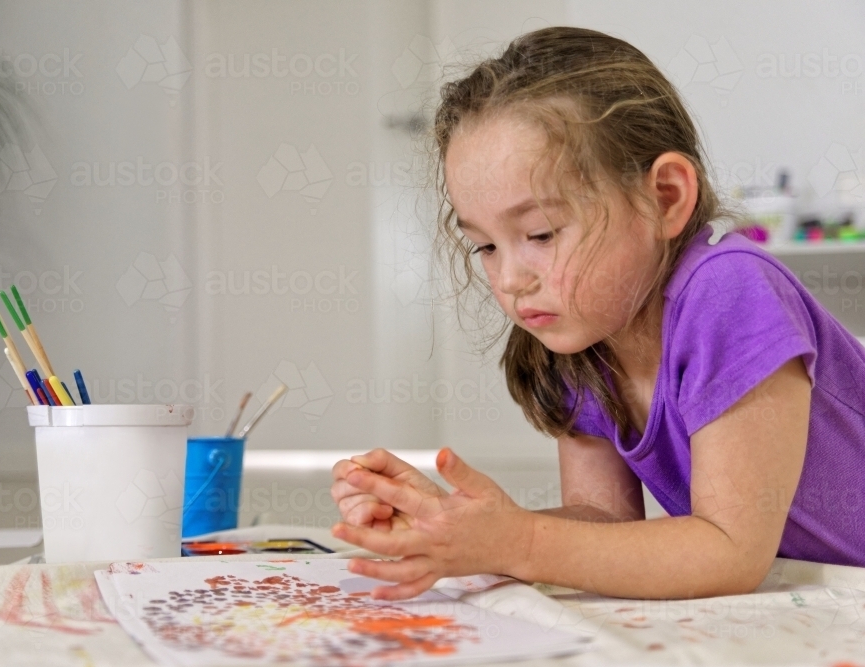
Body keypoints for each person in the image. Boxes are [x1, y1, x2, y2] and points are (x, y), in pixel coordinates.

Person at [330, 26, 865, 601]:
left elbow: (729, 550)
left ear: (664, 197)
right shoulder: (578, 338)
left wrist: (518, 542)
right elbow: (607, 522)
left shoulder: (729, 293)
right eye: (485, 246)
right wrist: (460, 530)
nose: (510, 279)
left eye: (540, 233)